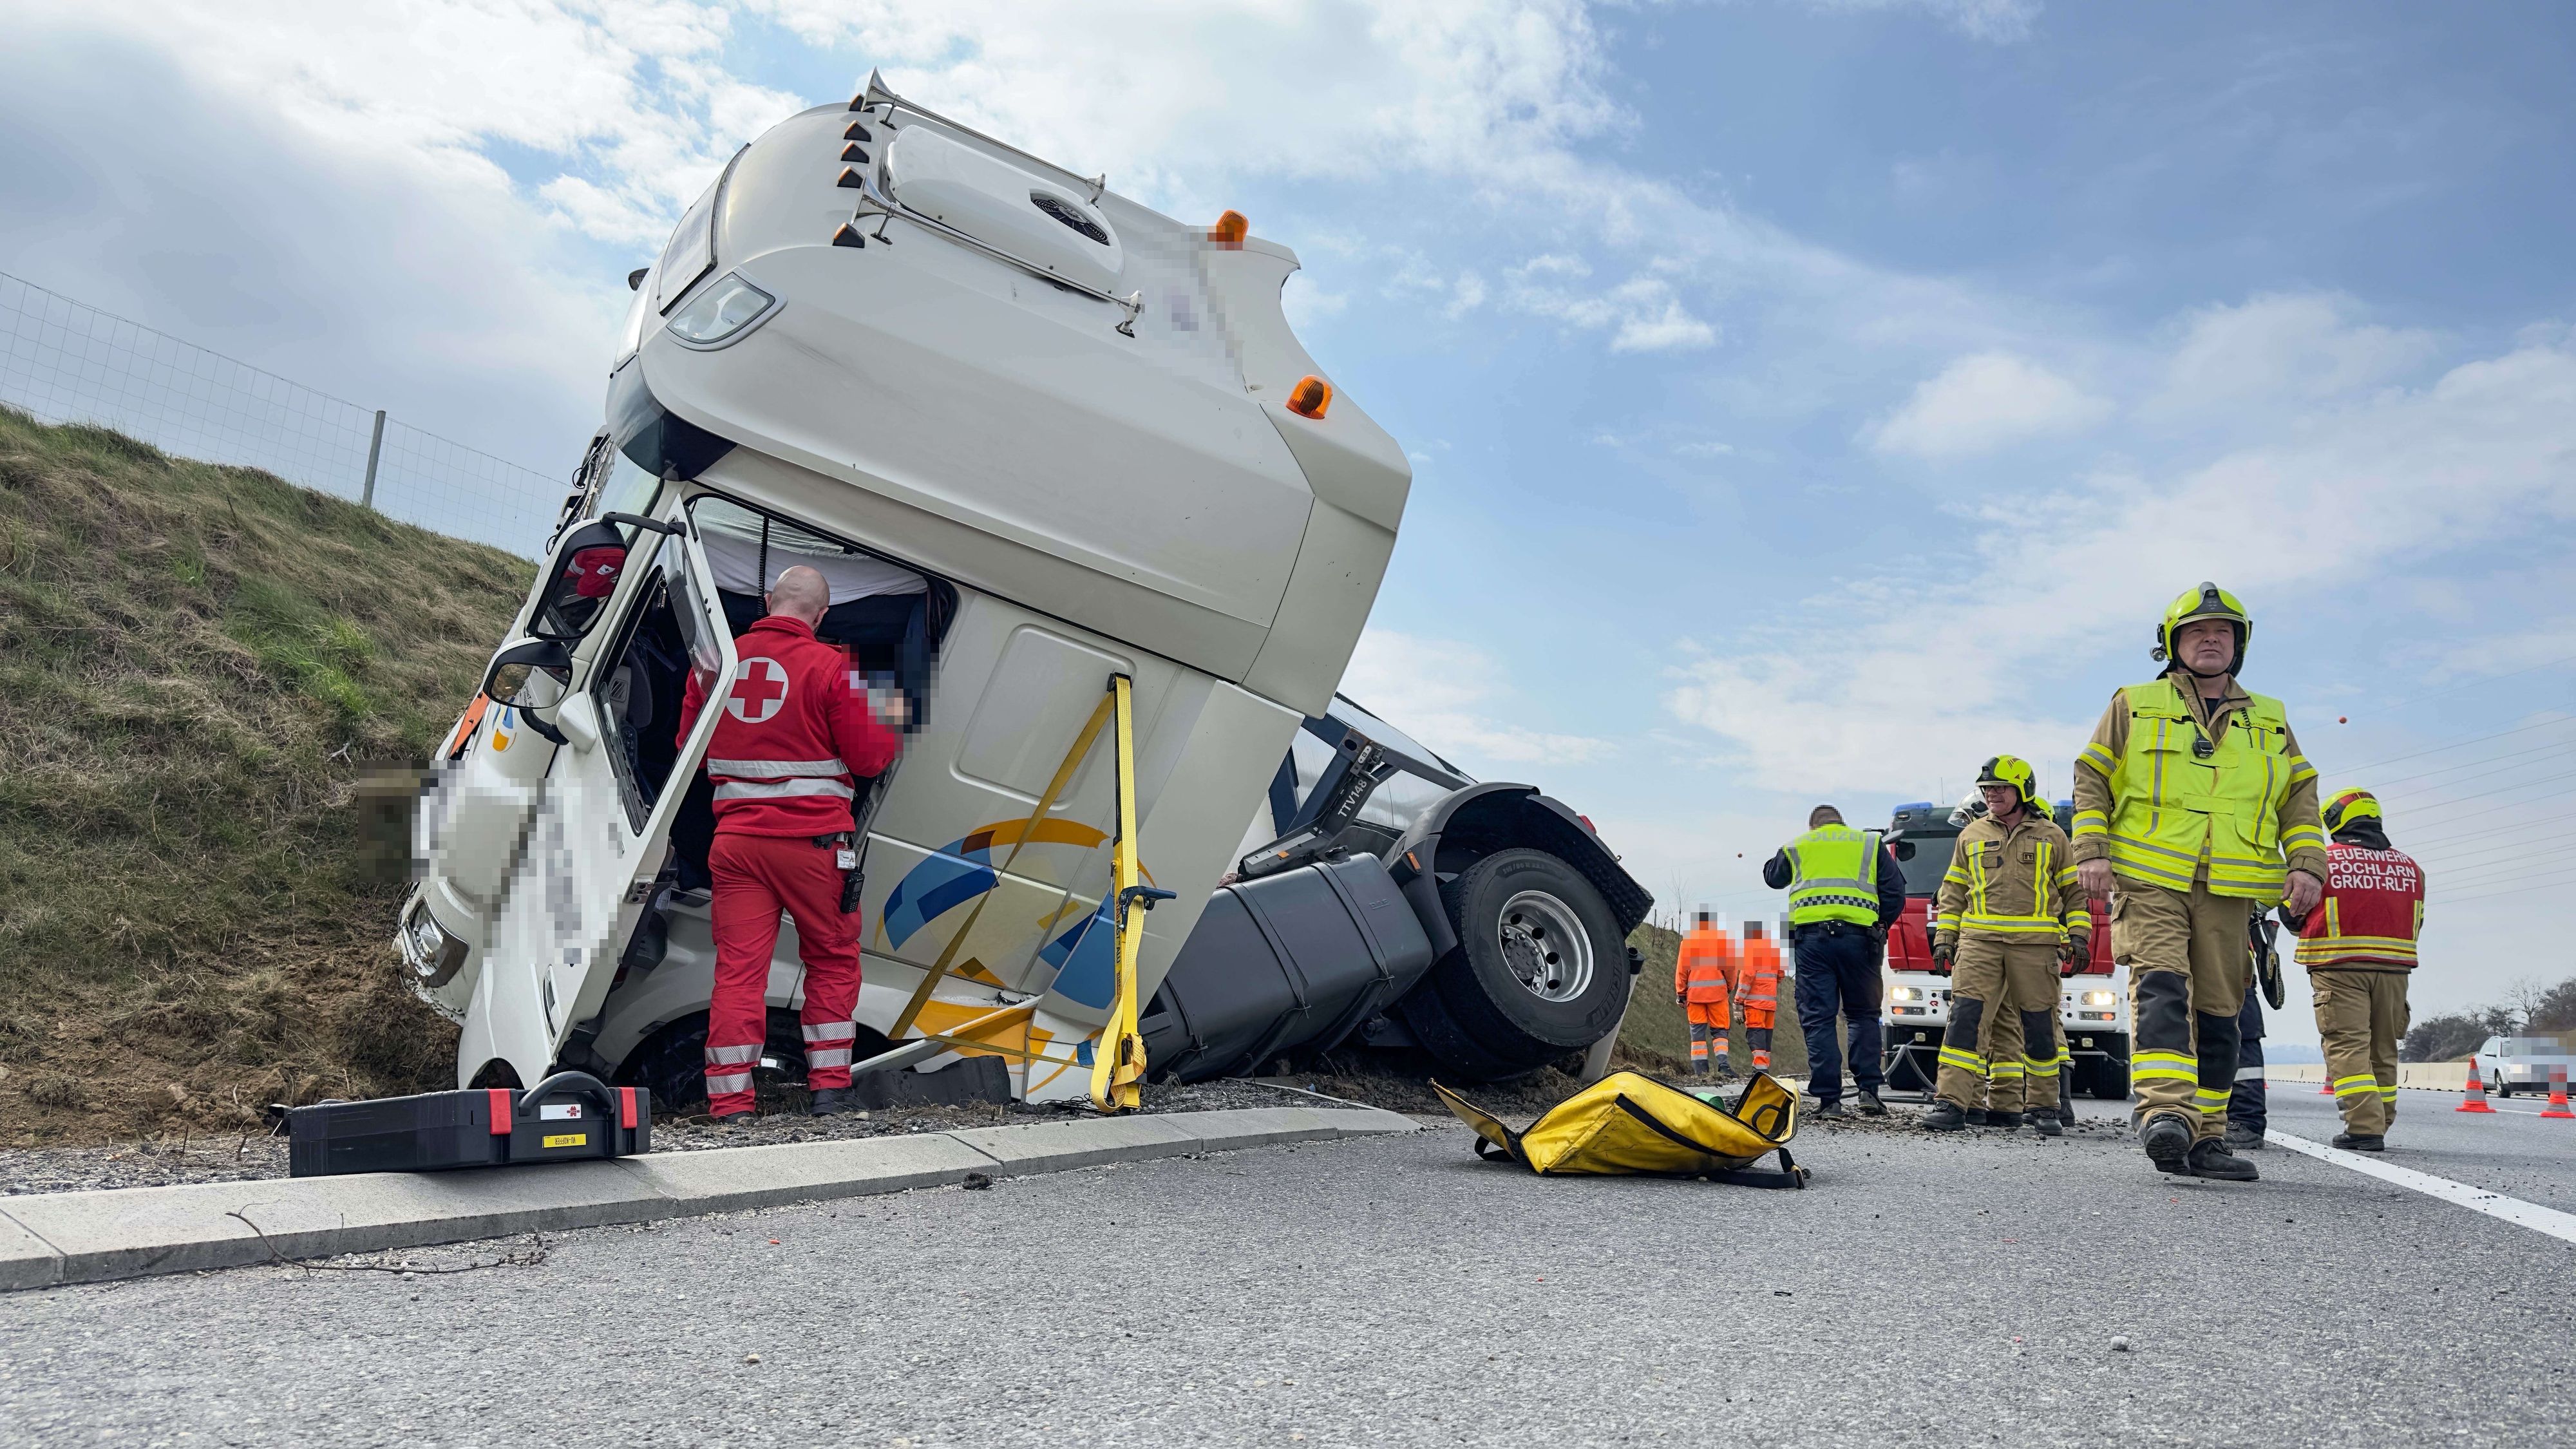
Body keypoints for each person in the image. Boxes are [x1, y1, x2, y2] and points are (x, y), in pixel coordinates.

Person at [2070, 583, 2327, 1180]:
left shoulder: (2271, 717)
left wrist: (2307, 864)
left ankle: (2207, 1138)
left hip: (2231, 887)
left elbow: (2300, 799)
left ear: (2238, 645)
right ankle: (2165, 1116)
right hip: (2149, 877)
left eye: (2222, 632)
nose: (2210, 640)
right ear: (2172, 644)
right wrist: (2091, 848)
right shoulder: (2133, 702)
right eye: (2196, 631)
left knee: (2220, 1011)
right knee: (2163, 987)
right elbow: (2092, 777)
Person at [676, 565, 907, 1121]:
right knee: (830, 960)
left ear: (766, 600)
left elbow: (689, 748)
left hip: (736, 845)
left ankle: (729, 1103)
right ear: (822, 614)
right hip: (813, 845)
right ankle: (829, 1090)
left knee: (738, 971)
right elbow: (872, 759)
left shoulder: (715, 665)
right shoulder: (832, 667)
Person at [1923, 757, 2090, 1137]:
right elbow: (1953, 893)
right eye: (1987, 789)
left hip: (2035, 948)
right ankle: (1951, 1104)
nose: (1992, 794)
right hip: (1979, 945)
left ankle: (2046, 1107)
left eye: (2000, 787)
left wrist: (2079, 936)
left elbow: (2074, 894)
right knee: (1964, 1022)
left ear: (2022, 791)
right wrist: (1945, 938)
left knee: (2039, 1026)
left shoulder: (2052, 836)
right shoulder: (1971, 835)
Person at [2288, 788, 2423, 1151]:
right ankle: (2381, 1120)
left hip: (2338, 968)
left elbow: (2292, 914)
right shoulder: (2412, 867)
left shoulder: (2325, 862)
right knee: (2383, 1049)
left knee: (2347, 1047)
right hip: (2396, 972)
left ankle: (2364, 1128)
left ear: (2334, 821)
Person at [1764, 806, 1907, 1118]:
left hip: (1813, 944)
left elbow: (1773, 878)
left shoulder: (1798, 846)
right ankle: (1869, 1091)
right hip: (1861, 941)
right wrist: (1880, 925)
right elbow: (1896, 892)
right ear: (1842, 822)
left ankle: (1830, 1101)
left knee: (1819, 1018)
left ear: (1813, 825)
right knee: (1863, 1015)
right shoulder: (1869, 844)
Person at [1674, 910, 1738, 1078]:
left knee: (1698, 1035)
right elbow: (1731, 969)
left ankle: (1701, 1072)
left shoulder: (1687, 944)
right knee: (1720, 1032)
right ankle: (1723, 1066)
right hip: (1718, 995)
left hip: (1694, 997)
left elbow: (1682, 971)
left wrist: (1681, 994)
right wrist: (1729, 988)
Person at [1736, 921, 1785, 1072]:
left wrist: (1738, 1001)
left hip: (1755, 1004)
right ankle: (1765, 1068)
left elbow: (1746, 979)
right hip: (1770, 1005)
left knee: (1755, 1034)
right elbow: (1781, 975)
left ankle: (1760, 1069)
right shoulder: (1774, 953)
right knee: (1766, 1036)